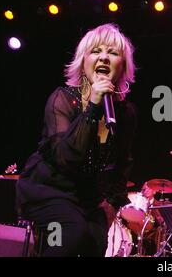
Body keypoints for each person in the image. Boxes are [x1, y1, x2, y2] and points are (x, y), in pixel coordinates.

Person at [16, 23, 137, 257]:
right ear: (83, 62)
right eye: (96, 51)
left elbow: (123, 162)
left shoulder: (125, 112)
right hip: (50, 188)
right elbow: (66, 157)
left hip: (88, 195)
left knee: (96, 242)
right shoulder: (62, 99)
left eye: (112, 53)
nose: (103, 57)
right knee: (72, 235)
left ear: (122, 66)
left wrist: (112, 204)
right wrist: (92, 106)